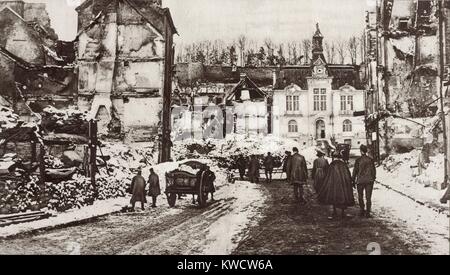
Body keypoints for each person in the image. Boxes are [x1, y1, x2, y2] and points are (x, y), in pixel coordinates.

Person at [318, 151, 355, 220]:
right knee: (343, 197)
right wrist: (349, 183)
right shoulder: (343, 165)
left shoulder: (332, 165)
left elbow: (328, 175)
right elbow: (347, 175)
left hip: (334, 184)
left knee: (334, 197)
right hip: (342, 184)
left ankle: (334, 212)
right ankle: (342, 213)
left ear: (334, 157)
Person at [352, 145, 377, 218]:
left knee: (360, 196)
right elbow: (373, 170)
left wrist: (353, 180)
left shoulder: (358, 160)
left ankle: (362, 210)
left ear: (361, 151)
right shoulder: (370, 160)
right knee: (368, 197)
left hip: (360, 181)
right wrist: (373, 178)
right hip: (369, 181)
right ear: (366, 151)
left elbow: (355, 171)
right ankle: (368, 212)